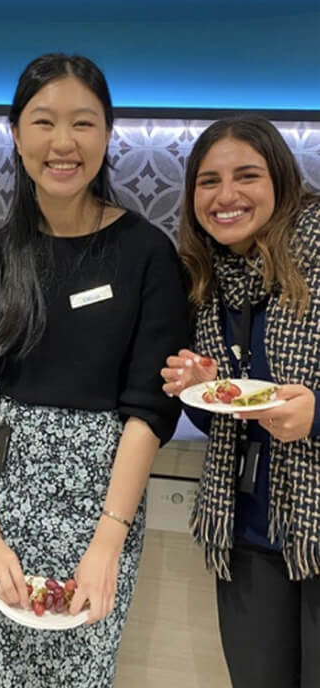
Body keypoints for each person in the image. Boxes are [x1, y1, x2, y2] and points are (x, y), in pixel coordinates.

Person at [0, 53, 189, 687]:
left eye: (84, 123)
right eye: (43, 121)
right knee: (4, 672)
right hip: (10, 497)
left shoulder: (146, 252)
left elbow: (149, 409)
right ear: (16, 132)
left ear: (108, 133)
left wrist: (108, 542)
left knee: (83, 671)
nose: (62, 143)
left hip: (104, 497)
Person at [161, 115, 320, 687]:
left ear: (279, 178)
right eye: (208, 181)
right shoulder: (207, 275)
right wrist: (199, 385)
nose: (226, 196)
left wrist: (316, 414)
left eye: (246, 175)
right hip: (247, 530)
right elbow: (223, 416)